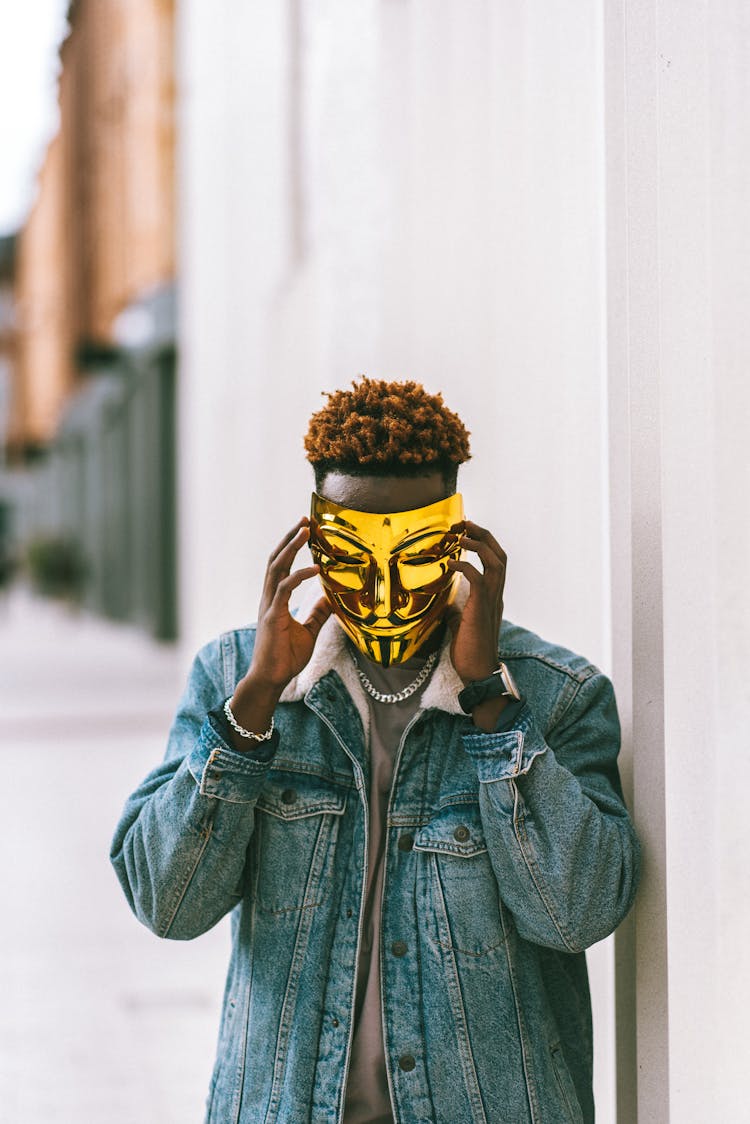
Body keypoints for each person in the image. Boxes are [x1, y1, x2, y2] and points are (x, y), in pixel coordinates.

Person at [111, 378, 640, 1124]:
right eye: (353, 555)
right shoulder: (235, 680)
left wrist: (492, 700)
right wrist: (256, 701)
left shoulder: (556, 695)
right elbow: (167, 903)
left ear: (460, 545)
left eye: (418, 555)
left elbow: (576, 914)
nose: (386, 589)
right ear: (312, 545)